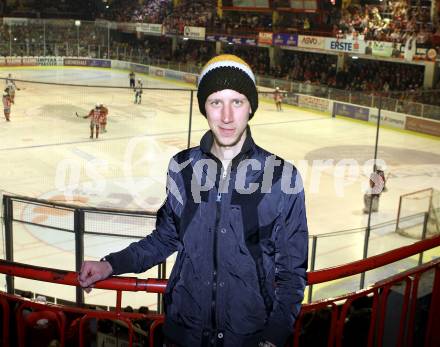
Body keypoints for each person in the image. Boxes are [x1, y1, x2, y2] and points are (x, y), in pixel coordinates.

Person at [78, 54, 308, 347]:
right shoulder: (182, 167)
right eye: (216, 102)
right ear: (204, 108)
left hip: (248, 337)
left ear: (251, 107)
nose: (226, 116)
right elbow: (164, 238)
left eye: (236, 102)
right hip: (183, 333)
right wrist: (111, 264)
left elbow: (292, 274)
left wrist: (273, 338)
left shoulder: (282, 177)